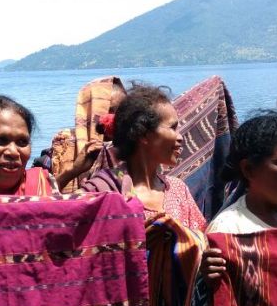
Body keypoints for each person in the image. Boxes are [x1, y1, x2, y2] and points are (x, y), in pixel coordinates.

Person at [82, 83, 206, 230]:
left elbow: (201, 239)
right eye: (172, 128)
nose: (180, 137)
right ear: (143, 134)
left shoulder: (177, 189)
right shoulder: (104, 191)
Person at [51, 76, 127, 191]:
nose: (115, 117)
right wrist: (74, 170)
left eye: (121, 110)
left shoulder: (133, 145)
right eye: (108, 110)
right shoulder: (65, 145)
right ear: (89, 111)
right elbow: (44, 195)